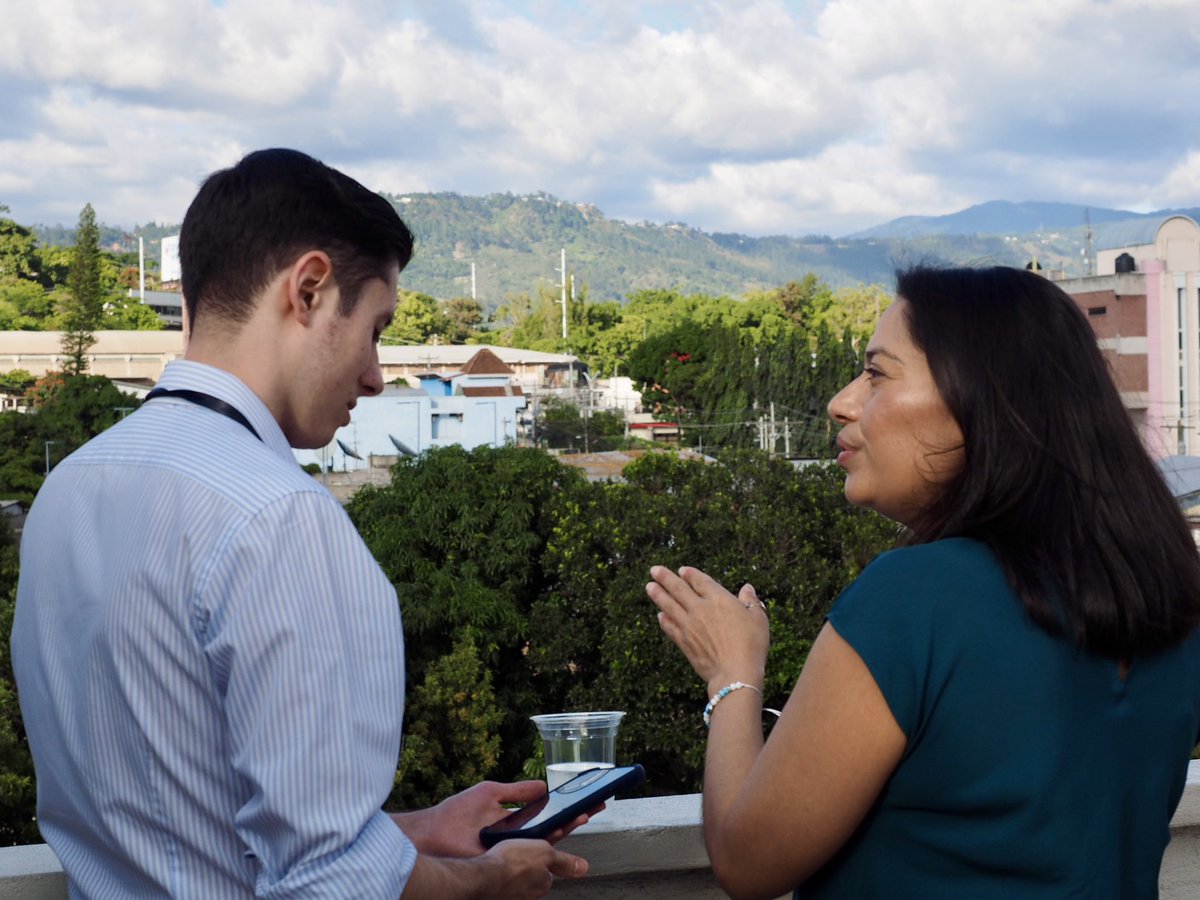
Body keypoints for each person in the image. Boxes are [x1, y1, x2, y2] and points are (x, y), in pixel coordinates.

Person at [11, 148, 589, 898]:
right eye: (375, 327)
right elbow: (328, 885)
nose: (378, 374)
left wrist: (407, 834)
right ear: (309, 289)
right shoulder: (277, 517)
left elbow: (188, 826)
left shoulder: (70, 486)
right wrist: (489, 876)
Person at [646, 264, 1200, 899]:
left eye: (877, 373)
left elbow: (749, 863)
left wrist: (732, 676)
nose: (843, 401)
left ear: (980, 400)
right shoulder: (1170, 594)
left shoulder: (917, 598)